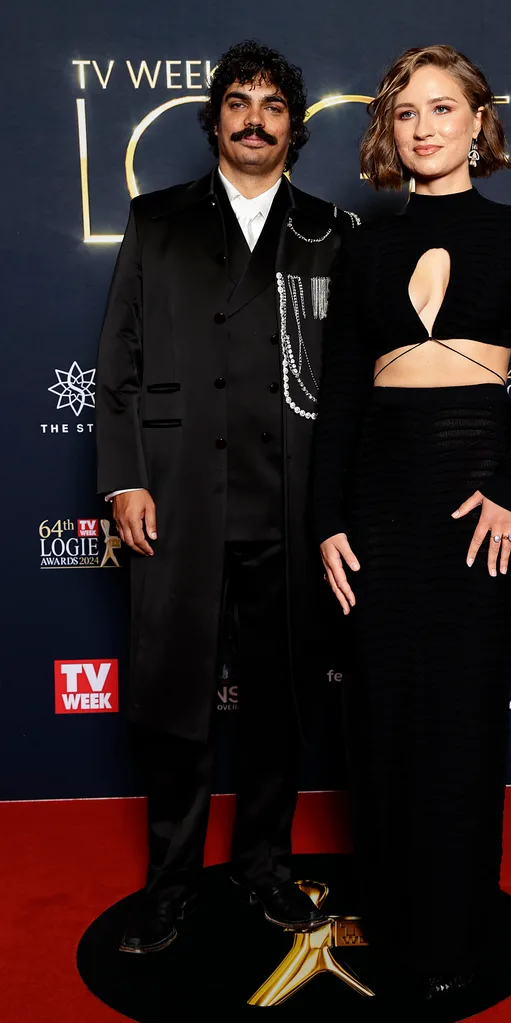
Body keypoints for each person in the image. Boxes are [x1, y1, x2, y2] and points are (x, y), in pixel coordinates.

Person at [312, 45, 511, 1000]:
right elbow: (340, 398)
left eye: (442, 108)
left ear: (477, 122)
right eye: (407, 113)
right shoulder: (364, 247)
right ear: (391, 131)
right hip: (381, 506)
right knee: (382, 719)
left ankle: (452, 930)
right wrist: (328, 520)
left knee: (461, 722)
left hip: (479, 512)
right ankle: (392, 916)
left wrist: (510, 486)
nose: (424, 127)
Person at [96, 40, 359, 954]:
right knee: (174, 703)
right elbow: (118, 365)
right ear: (213, 121)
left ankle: (263, 867)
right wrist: (125, 475)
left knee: (283, 702)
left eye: (273, 104)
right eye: (239, 102)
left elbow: (357, 381)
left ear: (294, 126)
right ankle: (168, 887)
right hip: (177, 500)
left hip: (291, 504)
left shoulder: (332, 230)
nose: (255, 117)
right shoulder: (157, 219)